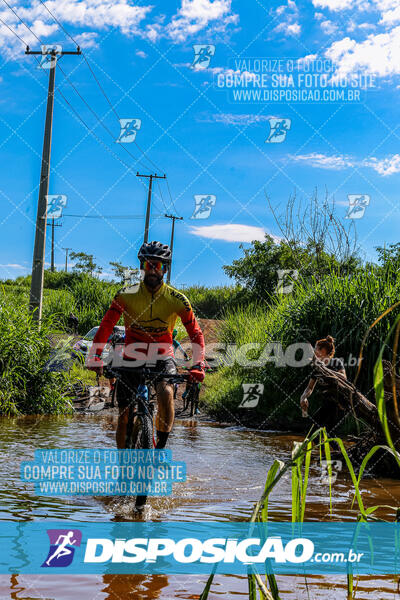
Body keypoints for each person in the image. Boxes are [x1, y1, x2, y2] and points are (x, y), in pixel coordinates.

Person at [87, 241, 205, 450]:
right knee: (124, 415)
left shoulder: (177, 299)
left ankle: (159, 451)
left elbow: (195, 333)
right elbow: (106, 326)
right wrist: (95, 356)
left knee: (166, 394)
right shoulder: (126, 294)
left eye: (157, 265)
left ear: (165, 269)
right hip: (131, 354)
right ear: (141, 267)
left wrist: (198, 364)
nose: (152, 270)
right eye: (147, 265)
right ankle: (123, 467)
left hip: (162, 355)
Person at [300, 335, 347, 440]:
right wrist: (303, 397)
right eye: (315, 348)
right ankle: (325, 455)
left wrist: (326, 371)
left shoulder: (336, 362)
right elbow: (310, 387)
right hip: (326, 404)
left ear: (325, 351)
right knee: (313, 432)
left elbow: (343, 378)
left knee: (329, 433)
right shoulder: (317, 367)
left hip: (338, 405)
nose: (315, 351)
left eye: (317, 348)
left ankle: (340, 455)